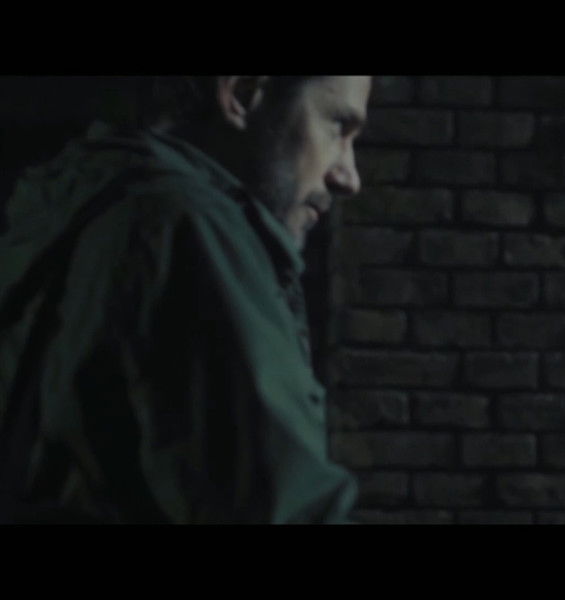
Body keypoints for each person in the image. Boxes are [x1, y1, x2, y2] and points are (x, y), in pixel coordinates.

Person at [0, 76, 371, 523]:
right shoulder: (186, 232)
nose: (349, 177)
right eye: (337, 127)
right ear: (242, 95)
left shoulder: (84, 200)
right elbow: (282, 511)